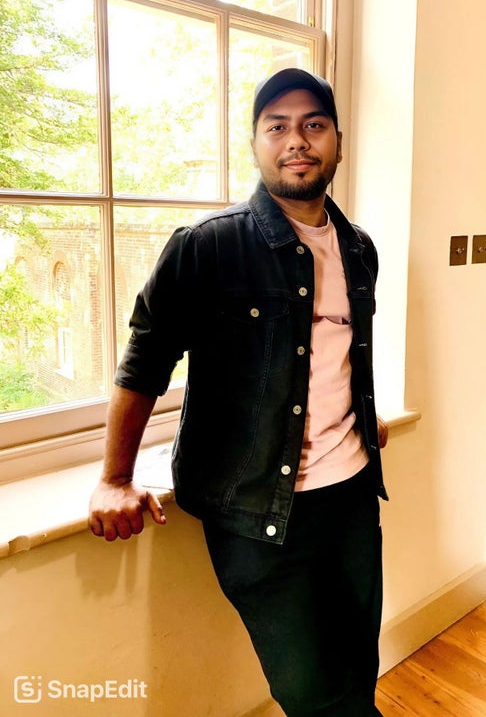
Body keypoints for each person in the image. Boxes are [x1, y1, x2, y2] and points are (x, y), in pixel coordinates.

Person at [88, 68, 389, 717]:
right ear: (255, 144)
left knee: (358, 665)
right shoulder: (208, 247)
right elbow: (144, 365)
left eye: (313, 124)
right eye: (276, 126)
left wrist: (362, 417)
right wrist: (114, 478)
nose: (296, 140)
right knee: (311, 691)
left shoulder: (359, 249)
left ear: (338, 141)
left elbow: (341, 352)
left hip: (352, 496)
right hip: (258, 511)